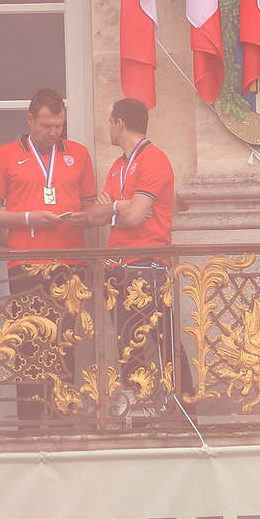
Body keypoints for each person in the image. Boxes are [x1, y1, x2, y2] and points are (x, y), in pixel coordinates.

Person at [0, 88, 96, 421]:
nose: (54, 133)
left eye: (59, 126)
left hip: (69, 263)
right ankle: (30, 421)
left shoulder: (80, 154)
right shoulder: (5, 155)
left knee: (65, 341)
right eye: (47, 126)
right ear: (30, 119)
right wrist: (29, 218)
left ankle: (60, 417)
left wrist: (84, 217)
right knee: (29, 342)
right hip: (26, 263)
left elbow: (90, 207)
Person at [90, 97, 192, 410]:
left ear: (119, 123)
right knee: (126, 341)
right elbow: (98, 215)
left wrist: (115, 208)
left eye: (109, 122)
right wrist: (122, 206)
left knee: (164, 338)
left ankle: (184, 407)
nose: (108, 128)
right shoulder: (118, 165)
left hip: (149, 264)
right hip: (117, 264)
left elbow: (134, 218)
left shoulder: (154, 159)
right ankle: (140, 404)